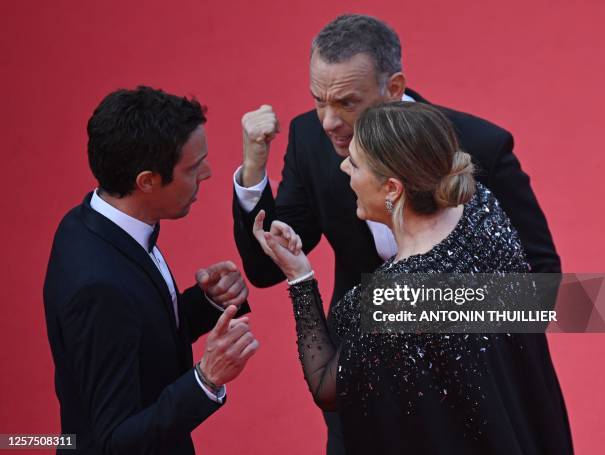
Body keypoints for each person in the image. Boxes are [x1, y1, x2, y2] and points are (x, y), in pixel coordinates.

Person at [232, 13, 561, 453]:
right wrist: (254, 167)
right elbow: (264, 266)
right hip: (366, 402)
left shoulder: (480, 146)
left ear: (394, 88)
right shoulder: (310, 140)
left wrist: (406, 309)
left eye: (347, 103)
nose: (329, 122)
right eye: (318, 101)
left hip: (481, 403)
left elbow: (546, 288)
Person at [44, 86, 259, 454]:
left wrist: (204, 303)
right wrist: (205, 379)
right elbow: (115, 441)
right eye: (192, 168)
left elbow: (131, 329)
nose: (207, 173)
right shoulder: (98, 287)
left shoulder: (89, 223)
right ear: (146, 181)